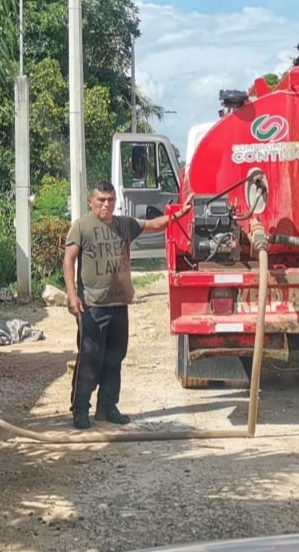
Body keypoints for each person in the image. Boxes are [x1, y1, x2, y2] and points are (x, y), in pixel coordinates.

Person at [63, 180, 193, 430]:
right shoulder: (82, 226)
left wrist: (180, 214)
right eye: (101, 200)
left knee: (115, 357)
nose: (106, 204)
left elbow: (154, 225)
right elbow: (69, 260)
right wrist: (72, 295)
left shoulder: (124, 225)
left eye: (110, 199)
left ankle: (107, 407)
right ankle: (80, 409)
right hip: (92, 305)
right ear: (91, 201)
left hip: (119, 303)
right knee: (90, 357)